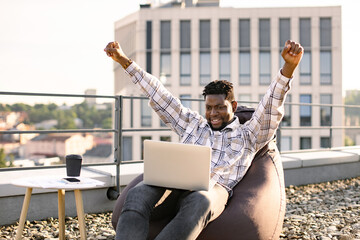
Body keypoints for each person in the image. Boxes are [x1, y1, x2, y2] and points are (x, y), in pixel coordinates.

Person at [104, 39, 303, 240]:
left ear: (233, 106)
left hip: (213, 189)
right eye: (208, 107)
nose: (213, 113)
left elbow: (271, 105)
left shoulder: (249, 134)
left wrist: (288, 67)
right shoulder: (192, 124)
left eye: (219, 107)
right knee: (137, 194)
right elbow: (158, 95)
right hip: (176, 182)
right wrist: (123, 61)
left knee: (200, 202)